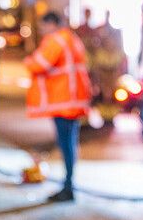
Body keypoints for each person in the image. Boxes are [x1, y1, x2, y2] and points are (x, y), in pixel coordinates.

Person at [24, 12, 93, 202]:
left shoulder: (56, 40)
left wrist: (28, 61)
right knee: (70, 144)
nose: (42, 31)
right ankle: (69, 185)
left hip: (64, 101)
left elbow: (39, 64)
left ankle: (68, 187)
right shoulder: (72, 39)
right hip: (74, 100)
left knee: (66, 145)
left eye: (43, 26)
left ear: (52, 23)